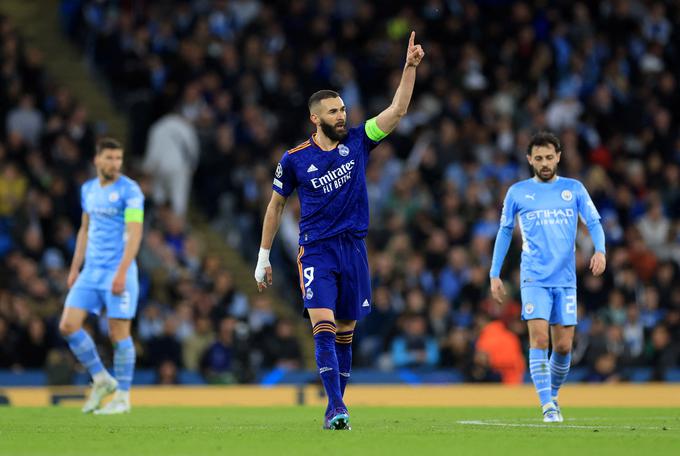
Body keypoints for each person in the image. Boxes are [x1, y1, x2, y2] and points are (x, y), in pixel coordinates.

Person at [254, 32, 425, 430]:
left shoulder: (359, 142)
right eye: (333, 112)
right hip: (316, 250)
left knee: (346, 331)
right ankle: (335, 408)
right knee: (324, 325)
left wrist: (410, 68)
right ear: (315, 118)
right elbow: (275, 205)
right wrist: (263, 258)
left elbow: (398, 110)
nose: (341, 116)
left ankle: (337, 407)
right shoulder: (295, 159)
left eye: (343, 109)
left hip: (354, 249)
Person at [489, 131, 606, 422]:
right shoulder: (517, 192)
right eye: (538, 158)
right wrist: (494, 273)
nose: (544, 163)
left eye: (549, 157)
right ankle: (547, 406)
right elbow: (504, 233)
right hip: (534, 278)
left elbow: (593, 221)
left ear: (558, 158)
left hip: (565, 279)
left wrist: (600, 251)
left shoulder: (574, 189)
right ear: (529, 159)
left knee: (564, 346)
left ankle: (551, 394)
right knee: (540, 340)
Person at [58, 138, 144, 414]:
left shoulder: (130, 190)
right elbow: (84, 230)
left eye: (119, 158)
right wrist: (75, 268)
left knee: (118, 333)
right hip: (91, 271)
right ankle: (102, 378)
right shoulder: (88, 190)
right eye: (109, 158)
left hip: (119, 270)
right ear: (97, 160)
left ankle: (123, 396)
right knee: (68, 325)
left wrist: (121, 272)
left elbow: (135, 233)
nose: (115, 164)